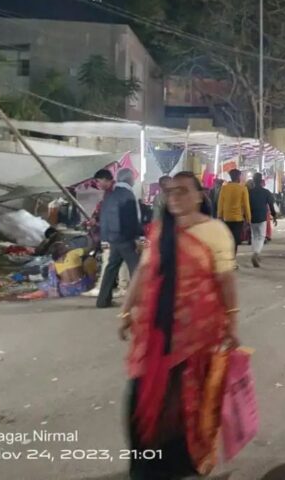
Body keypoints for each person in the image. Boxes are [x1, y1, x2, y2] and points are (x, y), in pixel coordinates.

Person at [118, 172, 238, 480]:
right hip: (155, 331)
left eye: (183, 191)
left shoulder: (215, 230)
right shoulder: (161, 230)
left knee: (185, 400)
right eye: (169, 192)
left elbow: (225, 280)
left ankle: (179, 465)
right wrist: (126, 310)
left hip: (198, 333)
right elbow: (144, 272)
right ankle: (146, 467)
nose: (175, 197)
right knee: (142, 397)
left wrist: (232, 323)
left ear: (200, 195)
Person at [96, 168, 142, 309]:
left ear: (106, 179)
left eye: (98, 181)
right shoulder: (123, 193)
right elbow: (132, 217)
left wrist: (105, 238)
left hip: (114, 238)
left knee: (111, 268)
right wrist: (136, 236)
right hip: (124, 237)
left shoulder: (111, 195)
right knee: (136, 269)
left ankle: (103, 301)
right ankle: (140, 301)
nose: (98, 184)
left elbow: (106, 218)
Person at [217, 169, 251, 254]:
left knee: (228, 239)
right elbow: (246, 205)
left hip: (226, 218)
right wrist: (248, 219)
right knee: (235, 240)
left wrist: (219, 216)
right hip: (238, 219)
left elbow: (220, 203)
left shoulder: (224, 188)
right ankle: (233, 258)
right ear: (238, 177)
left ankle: (228, 256)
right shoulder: (243, 189)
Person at [247, 173, 277, 268]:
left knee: (254, 236)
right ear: (261, 181)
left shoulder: (249, 192)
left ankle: (256, 254)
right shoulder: (266, 192)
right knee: (261, 237)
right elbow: (271, 205)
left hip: (252, 217)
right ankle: (256, 254)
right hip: (262, 217)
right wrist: (274, 216)